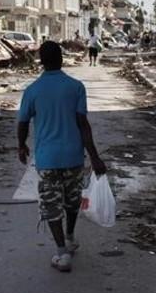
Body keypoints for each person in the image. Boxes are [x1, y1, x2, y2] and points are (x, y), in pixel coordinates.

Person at [18, 41, 107, 272]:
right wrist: (95, 157)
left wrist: (21, 145)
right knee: (72, 200)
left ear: (41, 61)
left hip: (47, 159)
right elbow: (83, 125)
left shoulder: (32, 90)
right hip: (73, 156)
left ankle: (61, 252)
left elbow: (23, 122)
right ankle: (70, 236)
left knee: (51, 205)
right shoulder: (76, 87)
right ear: (61, 59)